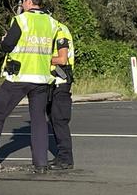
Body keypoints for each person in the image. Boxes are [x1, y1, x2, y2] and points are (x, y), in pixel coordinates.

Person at [0, 0, 58, 174]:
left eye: (22, 1)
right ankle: (41, 163)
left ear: (29, 1)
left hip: (19, 77)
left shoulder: (22, 20)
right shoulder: (51, 22)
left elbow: (8, 45)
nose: (21, 5)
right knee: (39, 121)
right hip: (42, 78)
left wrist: (4, 41)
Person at [47, 21, 75, 170]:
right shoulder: (56, 29)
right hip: (53, 82)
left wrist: (43, 59)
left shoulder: (59, 30)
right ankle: (61, 156)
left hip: (61, 81)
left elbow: (62, 59)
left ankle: (66, 159)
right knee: (54, 120)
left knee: (59, 120)